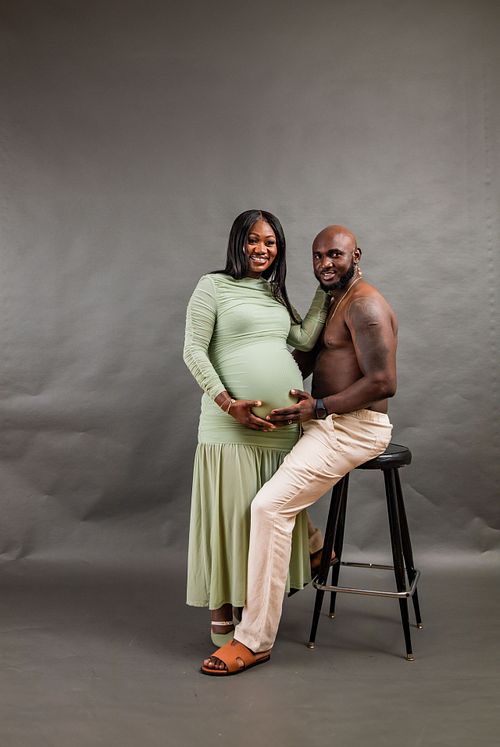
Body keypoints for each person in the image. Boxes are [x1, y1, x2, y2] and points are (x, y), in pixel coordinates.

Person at [200, 224, 397, 674]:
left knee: (269, 507)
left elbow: (383, 382)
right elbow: (305, 355)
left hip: (353, 428)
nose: (325, 264)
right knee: (262, 473)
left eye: (335, 255)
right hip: (325, 422)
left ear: (355, 256)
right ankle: (313, 548)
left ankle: (254, 640)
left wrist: (319, 407)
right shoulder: (335, 299)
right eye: (318, 256)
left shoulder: (364, 304)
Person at [183, 210, 330, 646]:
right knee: (230, 518)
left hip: (281, 430)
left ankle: (257, 604)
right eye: (253, 239)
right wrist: (228, 404)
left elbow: (303, 338)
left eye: (270, 242)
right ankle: (222, 611)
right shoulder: (212, 286)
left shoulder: (274, 293)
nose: (261, 249)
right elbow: (193, 350)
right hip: (230, 427)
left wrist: (324, 289)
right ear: (238, 242)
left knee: (266, 515)